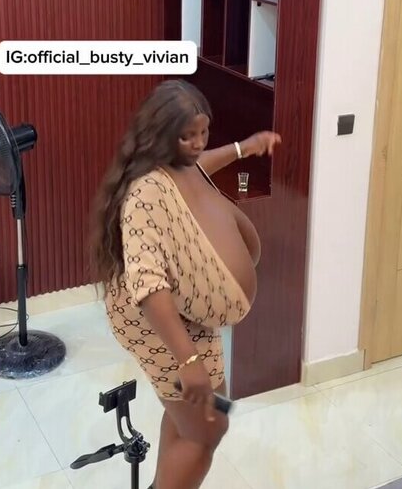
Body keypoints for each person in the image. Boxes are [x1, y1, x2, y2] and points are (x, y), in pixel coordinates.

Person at [91, 79, 281, 489]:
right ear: (160, 137)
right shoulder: (145, 192)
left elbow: (200, 162)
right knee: (206, 430)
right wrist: (188, 361)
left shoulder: (180, 164)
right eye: (187, 136)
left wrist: (244, 148)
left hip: (190, 317)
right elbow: (148, 286)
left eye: (203, 132)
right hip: (155, 321)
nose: (197, 144)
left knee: (202, 414)